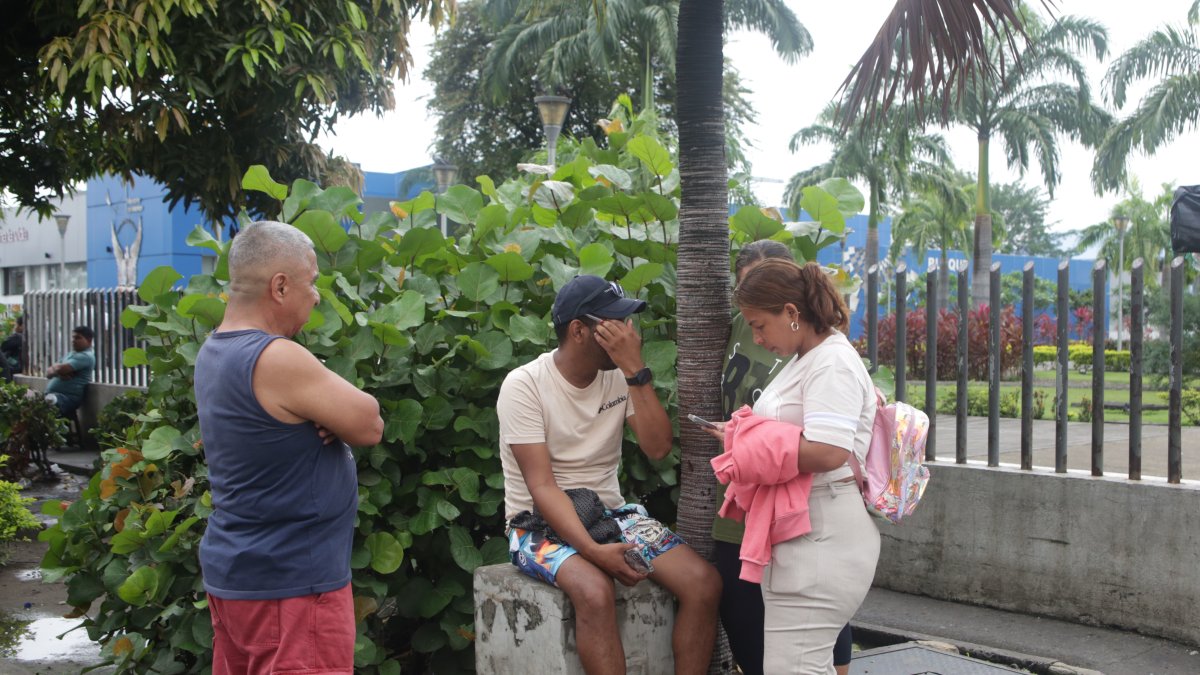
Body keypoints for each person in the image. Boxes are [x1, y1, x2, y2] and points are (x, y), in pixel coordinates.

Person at [497, 274, 721, 675]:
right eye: (613, 322)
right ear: (580, 331)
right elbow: (542, 487)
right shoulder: (524, 385)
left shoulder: (620, 375)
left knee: (703, 584)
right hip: (536, 524)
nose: (626, 332)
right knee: (595, 591)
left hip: (610, 514)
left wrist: (636, 371)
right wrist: (591, 550)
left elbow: (657, 448)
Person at [194, 221, 384, 675]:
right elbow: (369, 422)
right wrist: (333, 418)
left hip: (239, 575)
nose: (316, 296)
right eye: (312, 282)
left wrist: (325, 417)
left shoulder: (215, 351)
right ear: (280, 286)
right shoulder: (275, 356)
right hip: (291, 587)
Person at [707, 259, 880, 675]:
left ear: (791, 312)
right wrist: (742, 436)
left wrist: (749, 449)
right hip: (809, 536)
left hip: (822, 540)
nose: (756, 337)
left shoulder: (831, 363)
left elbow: (829, 450)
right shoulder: (812, 357)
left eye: (759, 325)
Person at [43, 325, 95, 417]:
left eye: (78, 338)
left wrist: (56, 369)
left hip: (67, 399)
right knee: (28, 397)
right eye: (73, 337)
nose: (74, 340)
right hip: (52, 395)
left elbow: (60, 369)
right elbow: (48, 373)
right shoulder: (70, 355)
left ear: (89, 341)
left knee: (49, 402)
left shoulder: (86, 356)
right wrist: (59, 372)